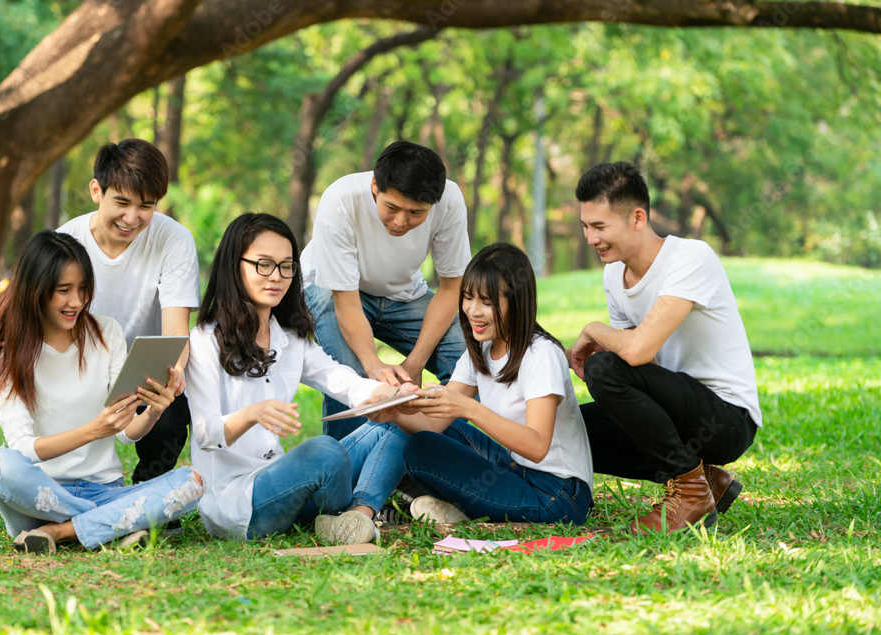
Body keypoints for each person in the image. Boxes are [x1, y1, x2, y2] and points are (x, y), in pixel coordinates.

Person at [186, 213, 417, 544]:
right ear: (234, 267)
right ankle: (351, 509)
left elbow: (340, 379)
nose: (276, 276)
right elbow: (206, 434)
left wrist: (390, 393)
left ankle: (359, 513)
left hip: (287, 483)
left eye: (286, 266)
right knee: (325, 452)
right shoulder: (204, 341)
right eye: (263, 264)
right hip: (238, 502)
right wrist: (253, 413)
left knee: (400, 421)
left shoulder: (289, 339)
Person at [0, 231, 203, 554]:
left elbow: (127, 433)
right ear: (35, 291)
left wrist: (153, 410)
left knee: (189, 485)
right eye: (63, 291)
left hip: (103, 489)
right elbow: (23, 449)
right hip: (41, 495)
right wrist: (93, 430)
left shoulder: (107, 333)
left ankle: (59, 532)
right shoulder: (8, 350)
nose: (77, 302)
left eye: (83, 289)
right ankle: (116, 525)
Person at [569, 161, 761, 535]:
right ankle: (705, 479)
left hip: (725, 419)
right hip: (679, 409)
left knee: (602, 369)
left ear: (637, 218)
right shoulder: (614, 274)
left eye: (599, 227)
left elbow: (636, 351)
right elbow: (644, 368)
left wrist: (594, 329)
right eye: (585, 227)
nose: (590, 238)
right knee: (569, 427)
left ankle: (689, 492)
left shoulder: (690, 258)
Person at [387, 243, 594, 526]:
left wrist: (469, 408)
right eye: (468, 297)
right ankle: (463, 507)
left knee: (425, 447)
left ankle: (462, 507)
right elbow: (434, 424)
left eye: (487, 301)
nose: (473, 310)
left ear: (516, 301)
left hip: (557, 496)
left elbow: (536, 446)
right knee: (425, 442)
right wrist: (392, 409)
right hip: (515, 470)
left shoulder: (541, 354)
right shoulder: (481, 352)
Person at [301, 140, 471, 441]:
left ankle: (444, 457)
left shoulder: (450, 200)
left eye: (416, 213)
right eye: (391, 207)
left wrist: (415, 361)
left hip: (403, 293)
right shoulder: (341, 199)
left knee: (469, 357)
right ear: (375, 185)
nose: (400, 221)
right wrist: (374, 366)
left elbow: (451, 288)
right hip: (331, 291)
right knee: (351, 376)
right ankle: (349, 466)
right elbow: (346, 303)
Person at [57, 138, 200, 494]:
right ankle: (79, 483)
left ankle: (146, 489)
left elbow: (175, 333)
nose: (131, 218)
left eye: (145, 206)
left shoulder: (174, 240)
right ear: (96, 190)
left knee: (169, 409)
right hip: (81, 364)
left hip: (144, 371)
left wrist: (174, 376)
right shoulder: (65, 242)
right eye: (121, 202)